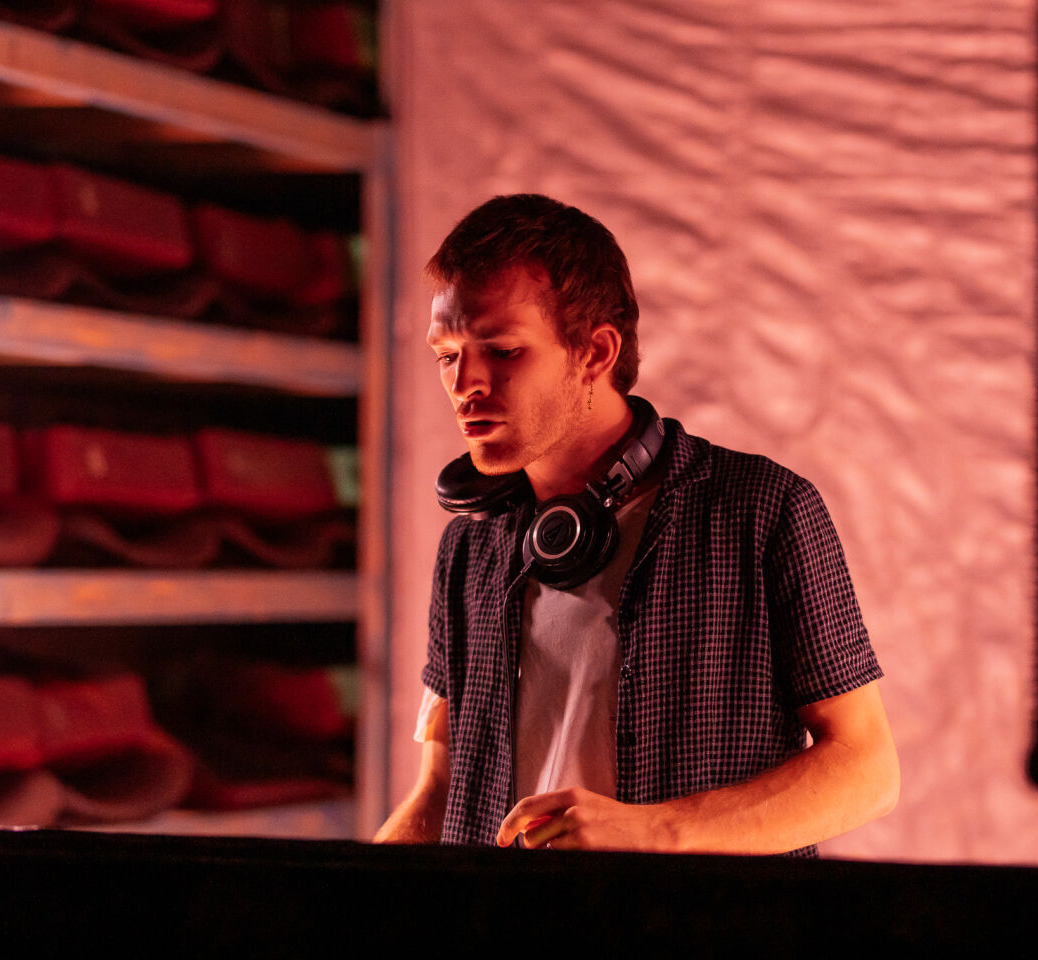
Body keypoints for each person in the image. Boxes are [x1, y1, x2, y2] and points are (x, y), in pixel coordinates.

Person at [374, 194, 898, 854]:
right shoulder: (468, 545)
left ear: (595, 353)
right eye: (447, 355)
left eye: (502, 350)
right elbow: (442, 789)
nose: (465, 383)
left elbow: (865, 770)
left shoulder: (762, 509)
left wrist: (656, 832)